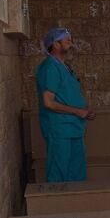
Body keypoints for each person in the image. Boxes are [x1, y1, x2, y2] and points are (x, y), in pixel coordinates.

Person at [36, 27, 95, 183]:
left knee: (77, 175)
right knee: (59, 175)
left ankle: (75, 207)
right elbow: (48, 102)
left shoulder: (64, 67)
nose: (71, 42)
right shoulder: (50, 67)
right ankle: (57, 207)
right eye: (67, 40)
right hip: (60, 130)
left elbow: (67, 95)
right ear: (55, 44)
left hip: (74, 128)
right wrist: (77, 112)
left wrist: (83, 111)